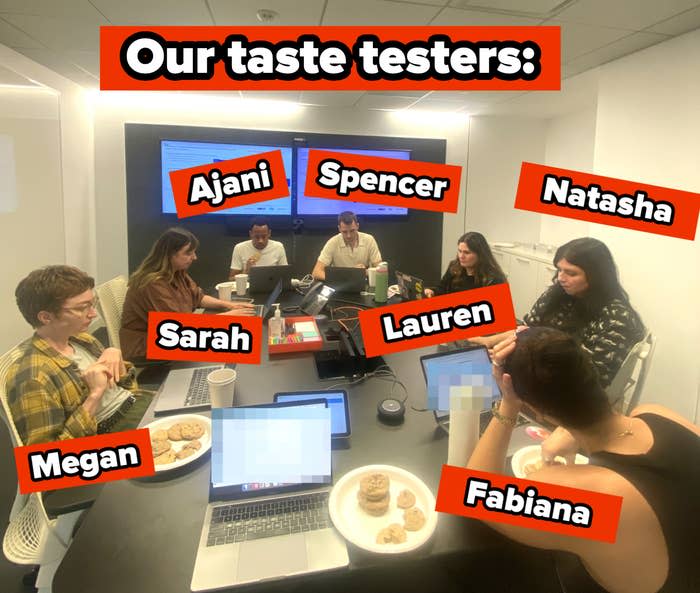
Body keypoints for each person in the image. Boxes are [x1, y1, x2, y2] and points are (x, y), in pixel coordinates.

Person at [468, 327, 699, 593]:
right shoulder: (657, 414)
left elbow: (475, 493)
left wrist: (509, 402)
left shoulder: (592, 500)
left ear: (536, 410)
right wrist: (571, 431)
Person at [471, 238, 644, 387]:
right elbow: (526, 328)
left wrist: (515, 358)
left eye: (571, 273)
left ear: (596, 276)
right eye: (559, 269)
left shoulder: (616, 317)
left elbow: (594, 378)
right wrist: (488, 341)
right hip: (536, 369)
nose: (561, 277)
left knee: (479, 383)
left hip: (569, 387)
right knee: (471, 371)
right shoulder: (557, 293)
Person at [7, 266, 151, 445]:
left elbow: (125, 387)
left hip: (135, 403)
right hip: (112, 431)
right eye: (82, 308)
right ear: (46, 317)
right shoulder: (32, 378)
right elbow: (47, 461)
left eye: (93, 303)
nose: (93, 313)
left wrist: (117, 359)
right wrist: (95, 394)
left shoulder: (80, 338)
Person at [120, 227, 253, 360]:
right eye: (188, 253)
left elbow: (198, 297)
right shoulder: (152, 283)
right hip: (145, 348)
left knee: (243, 340)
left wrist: (230, 305)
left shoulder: (177, 272)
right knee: (240, 344)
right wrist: (226, 317)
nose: (194, 257)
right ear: (170, 254)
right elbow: (178, 329)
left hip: (172, 338)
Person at [424, 231, 507, 298]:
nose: (461, 256)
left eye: (466, 253)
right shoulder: (454, 267)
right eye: (460, 251)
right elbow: (442, 288)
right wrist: (432, 291)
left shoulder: (494, 279)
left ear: (480, 255)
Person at [311, 211, 382, 281]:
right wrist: (345, 277)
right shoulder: (333, 242)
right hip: (339, 285)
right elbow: (316, 272)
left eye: (352, 231)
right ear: (339, 228)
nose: (349, 236)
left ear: (357, 226)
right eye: (344, 232)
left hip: (363, 284)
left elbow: (381, 270)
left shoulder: (369, 240)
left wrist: (364, 272)